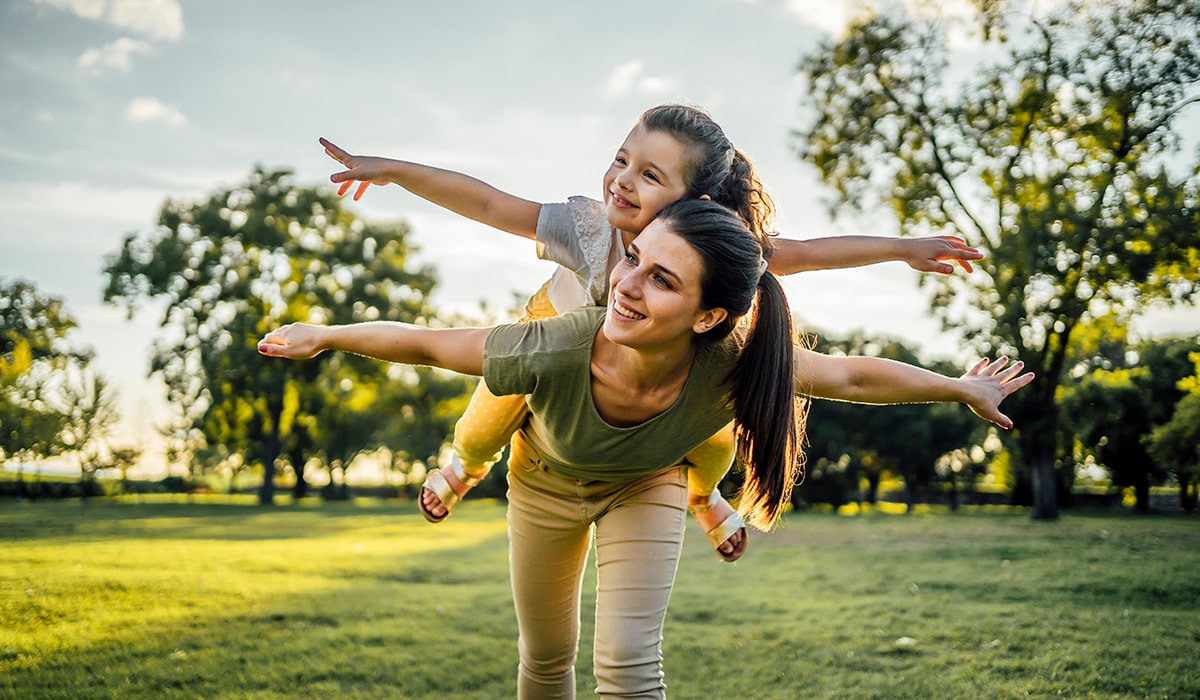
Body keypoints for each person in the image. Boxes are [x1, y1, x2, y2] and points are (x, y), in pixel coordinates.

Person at [259, 198, 1032, 699]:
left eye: (662, 279)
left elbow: (852, 377)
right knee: (548, 655)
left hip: (649, 485)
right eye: (635, 259)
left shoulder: (730, 363)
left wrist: (960, 387)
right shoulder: (559, 344)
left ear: (706, 316)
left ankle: (706, 497)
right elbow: (431, 344)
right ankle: (469, 465)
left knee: (629, 666)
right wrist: (326, 334)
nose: (627, 285)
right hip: (544, 485)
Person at [320, 104, 983, 561]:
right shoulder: (587, 226)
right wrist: (395, 171)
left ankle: (705, 494)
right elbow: (493, 204)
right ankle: (463, 466)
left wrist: (902, 247)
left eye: (649, 175)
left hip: (656, 374)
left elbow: (805, 253)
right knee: (496, 404)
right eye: (620, 160)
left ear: (693, 203)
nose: (621, 181)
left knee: (717, 421)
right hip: (558, 347)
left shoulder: (713, 250)